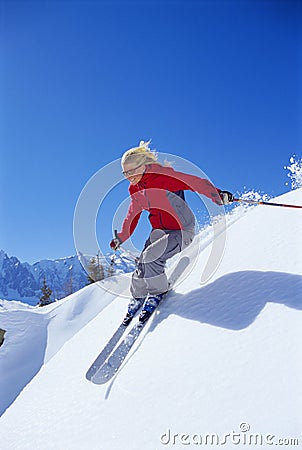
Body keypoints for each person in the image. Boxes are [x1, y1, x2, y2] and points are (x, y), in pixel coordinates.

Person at [110, 141, 233, 325]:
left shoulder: (163, 177)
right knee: (142, 262)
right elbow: (132, 214)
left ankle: (158, 291)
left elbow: (194, 182)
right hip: (158, 231)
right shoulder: (134, 189)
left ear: (143, 166)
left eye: (132, 171)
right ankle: (138, 295)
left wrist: (217, 195)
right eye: (125, 173)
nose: (129, 177)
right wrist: (121, 237)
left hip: (181, 230)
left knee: (151, 257)